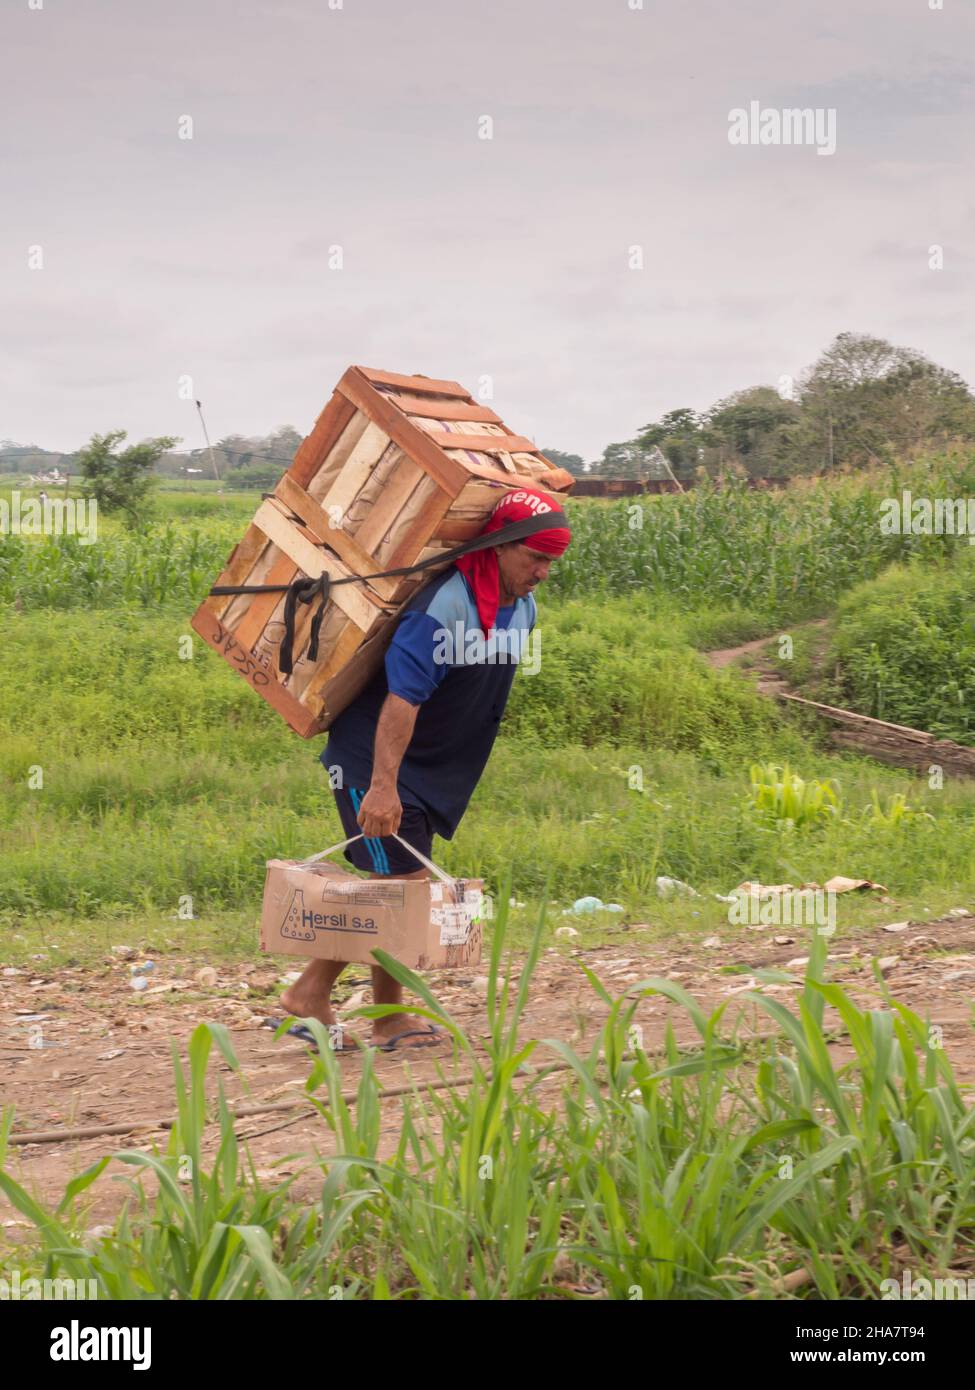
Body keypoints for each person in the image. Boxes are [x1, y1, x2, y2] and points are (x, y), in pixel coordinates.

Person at [278, 486, 572, 1051]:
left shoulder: (524, 609)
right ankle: (309, 993)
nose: (542, 573)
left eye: (550, 563)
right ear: (502, 545)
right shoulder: (443, 605)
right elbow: (402, 699)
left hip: (430, 771)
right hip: (378, 763)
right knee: (404, 890)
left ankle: (386, 1019)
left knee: (395, 889)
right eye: (535, 557)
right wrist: (384, 788)